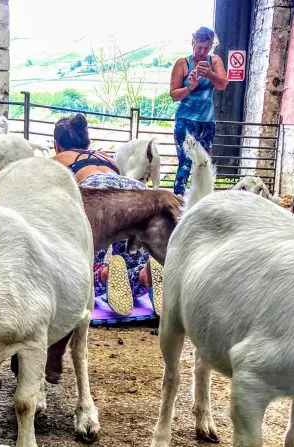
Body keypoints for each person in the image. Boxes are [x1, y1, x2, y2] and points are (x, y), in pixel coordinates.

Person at [52, 113, 162, 322]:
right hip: (136, 192)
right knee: (130, 259)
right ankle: (144, 276)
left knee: (80, 276)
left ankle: (104, 274)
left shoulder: (58, 160)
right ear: (89, 142)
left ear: (57, 145)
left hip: (95, 194)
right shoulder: (106, 158)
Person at [170, 27, 228, 197]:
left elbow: (223, 84)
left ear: (211, 46)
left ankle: (200, 200)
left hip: (207, 122)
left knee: (203, 163)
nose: (202, 51)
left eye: (206, 48)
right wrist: (190, 86)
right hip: (185, 121)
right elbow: (174, 95)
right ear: (193, 43)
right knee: (186, 163)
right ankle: (177, 202)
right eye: (199, 47)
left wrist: (209, 73)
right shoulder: (183, 63)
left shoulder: (215, 60)